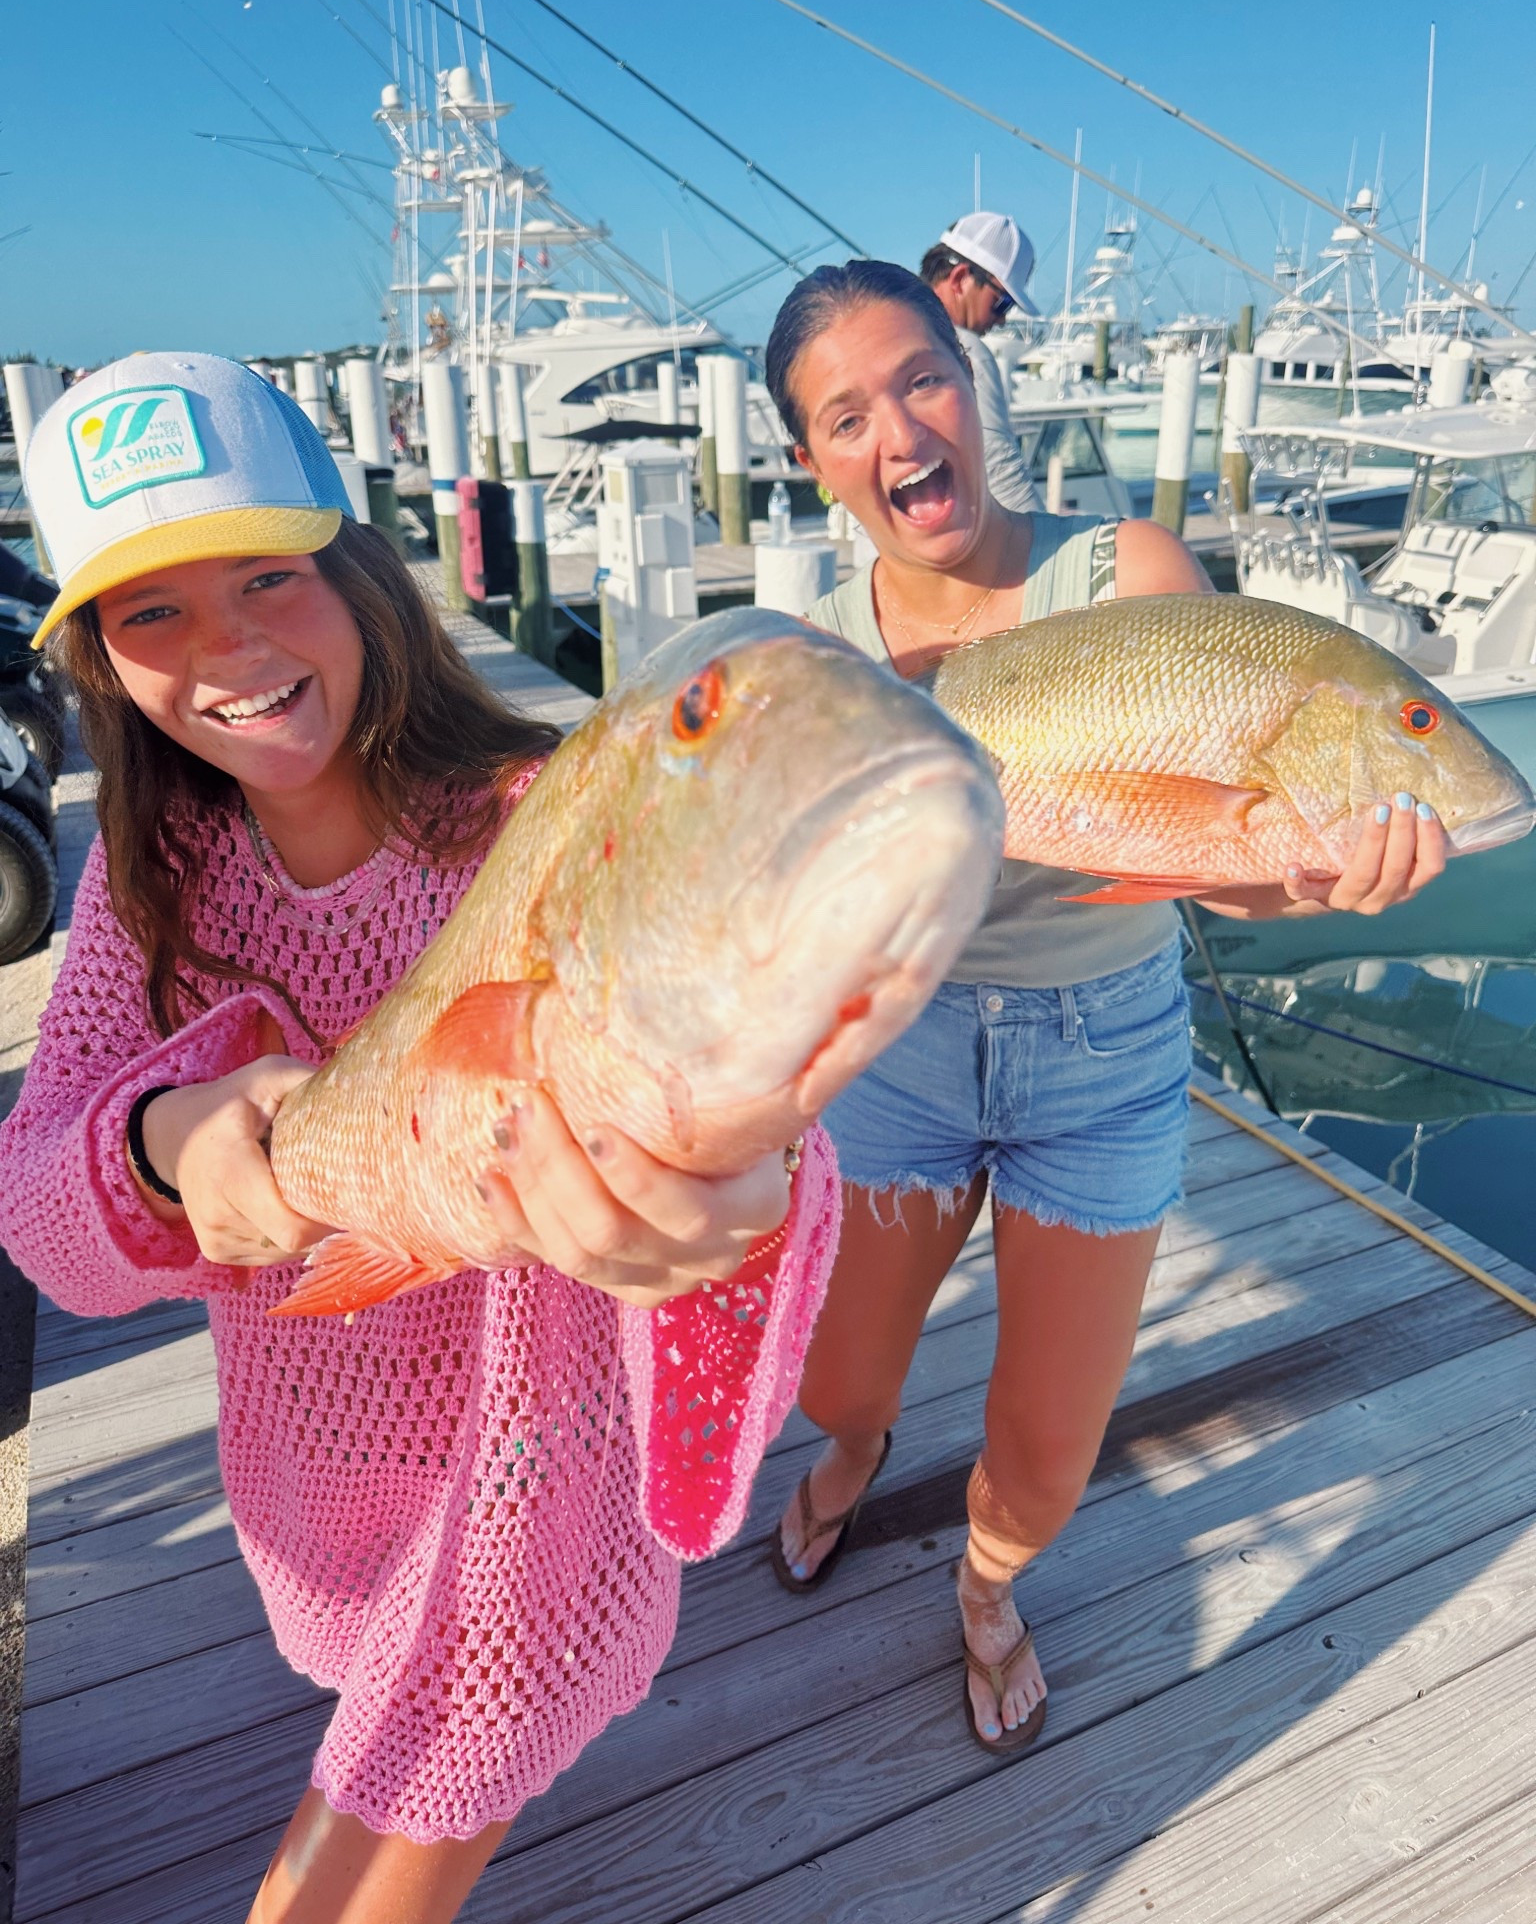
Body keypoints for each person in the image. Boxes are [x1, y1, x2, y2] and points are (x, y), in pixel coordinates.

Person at [0, 353, 839, 1924]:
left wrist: (753, 1189)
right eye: (151, 612)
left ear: (366, 574)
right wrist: (164, 1144)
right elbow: (38, 1205)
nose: (229, 646)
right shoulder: (149, 881)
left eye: (268, 576)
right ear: (105, 660)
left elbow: (750, 1104)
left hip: (537, 1488)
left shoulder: (551, 816)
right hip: (315, 1494)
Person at [762, 261, 1448, 1754]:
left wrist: (1323, 877)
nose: (899, 433)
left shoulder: (1129, 573)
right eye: (844, 415)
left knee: (1054, 1444)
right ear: (811, 459)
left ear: (975, 372)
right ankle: (853, 1456)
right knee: (839, 1376)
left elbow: (1222, 869)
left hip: (1104, 1055)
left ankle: (990, 1592)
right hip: (899, 1048)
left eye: (921, 378)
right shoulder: (808, 643)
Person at [921, 210, 1041, 514]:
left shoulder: (890, 330)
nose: (1002, 320)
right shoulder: (964, 348)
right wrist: (1050, 537)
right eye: (1003, 302)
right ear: (960, 279)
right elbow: (997, 464)